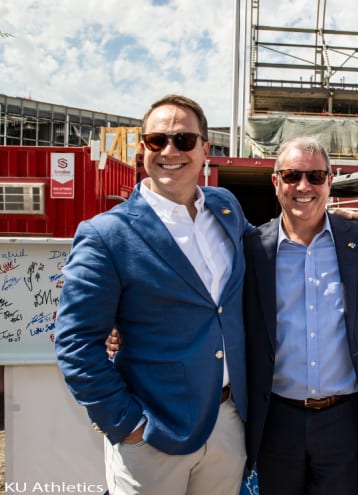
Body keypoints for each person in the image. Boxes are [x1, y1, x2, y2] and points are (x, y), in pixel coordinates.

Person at [55, 94, 250, 495]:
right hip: (153, 434)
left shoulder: (226, 208)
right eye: (157, 140)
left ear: (204, 150)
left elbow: (265, 254)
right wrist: (127, 425)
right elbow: (75, 343)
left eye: (183, 140)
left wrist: (338, 221)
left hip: (229, 424)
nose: (170, 151)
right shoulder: (106, 235)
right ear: (142, 148)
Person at [243, 137, 358, 495]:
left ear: (330, 181)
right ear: (276, 182)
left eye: (316, 176)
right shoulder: (253, 248)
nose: (304, 187)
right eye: (292, 176)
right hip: (277, 421)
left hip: (345, 422)